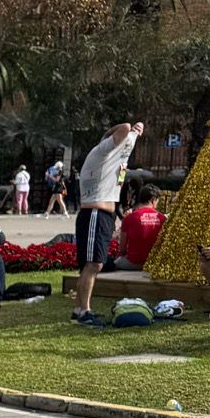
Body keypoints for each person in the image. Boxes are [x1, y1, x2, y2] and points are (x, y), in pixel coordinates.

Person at [71, 121, 142, 324]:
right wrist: (128, 129)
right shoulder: (101, 151)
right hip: (95, 213)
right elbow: (125, 128)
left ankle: (80, 309)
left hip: (102, 215)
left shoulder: (117, 157)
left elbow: (133, 131)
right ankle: (83, 311)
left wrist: (137, 131)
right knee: (93, 264)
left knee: (93, 264)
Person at [118, 181, 165, 267]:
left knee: (114, 262)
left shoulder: (129, 218)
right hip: (154, 264)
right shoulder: (162, 218)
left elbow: (122, 249)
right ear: (153, 200)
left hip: (133, 263)